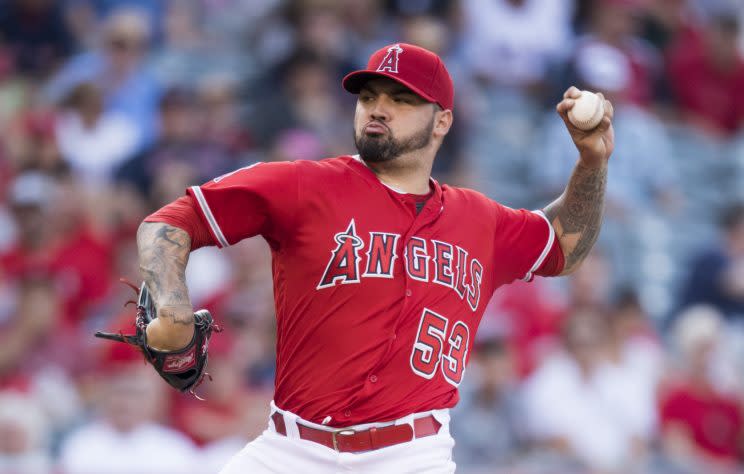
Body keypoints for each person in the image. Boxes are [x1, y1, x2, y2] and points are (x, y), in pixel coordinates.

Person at [136, 43, 615, 473]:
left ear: (442, 121)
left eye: (401, 100)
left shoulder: (481, 220)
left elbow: (564, 245)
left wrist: (591, 163)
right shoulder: (305, 186)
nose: (378, 110)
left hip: (410, 457)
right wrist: (173, 304)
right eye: (368, 98)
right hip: (291, 450)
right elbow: (168, 223)